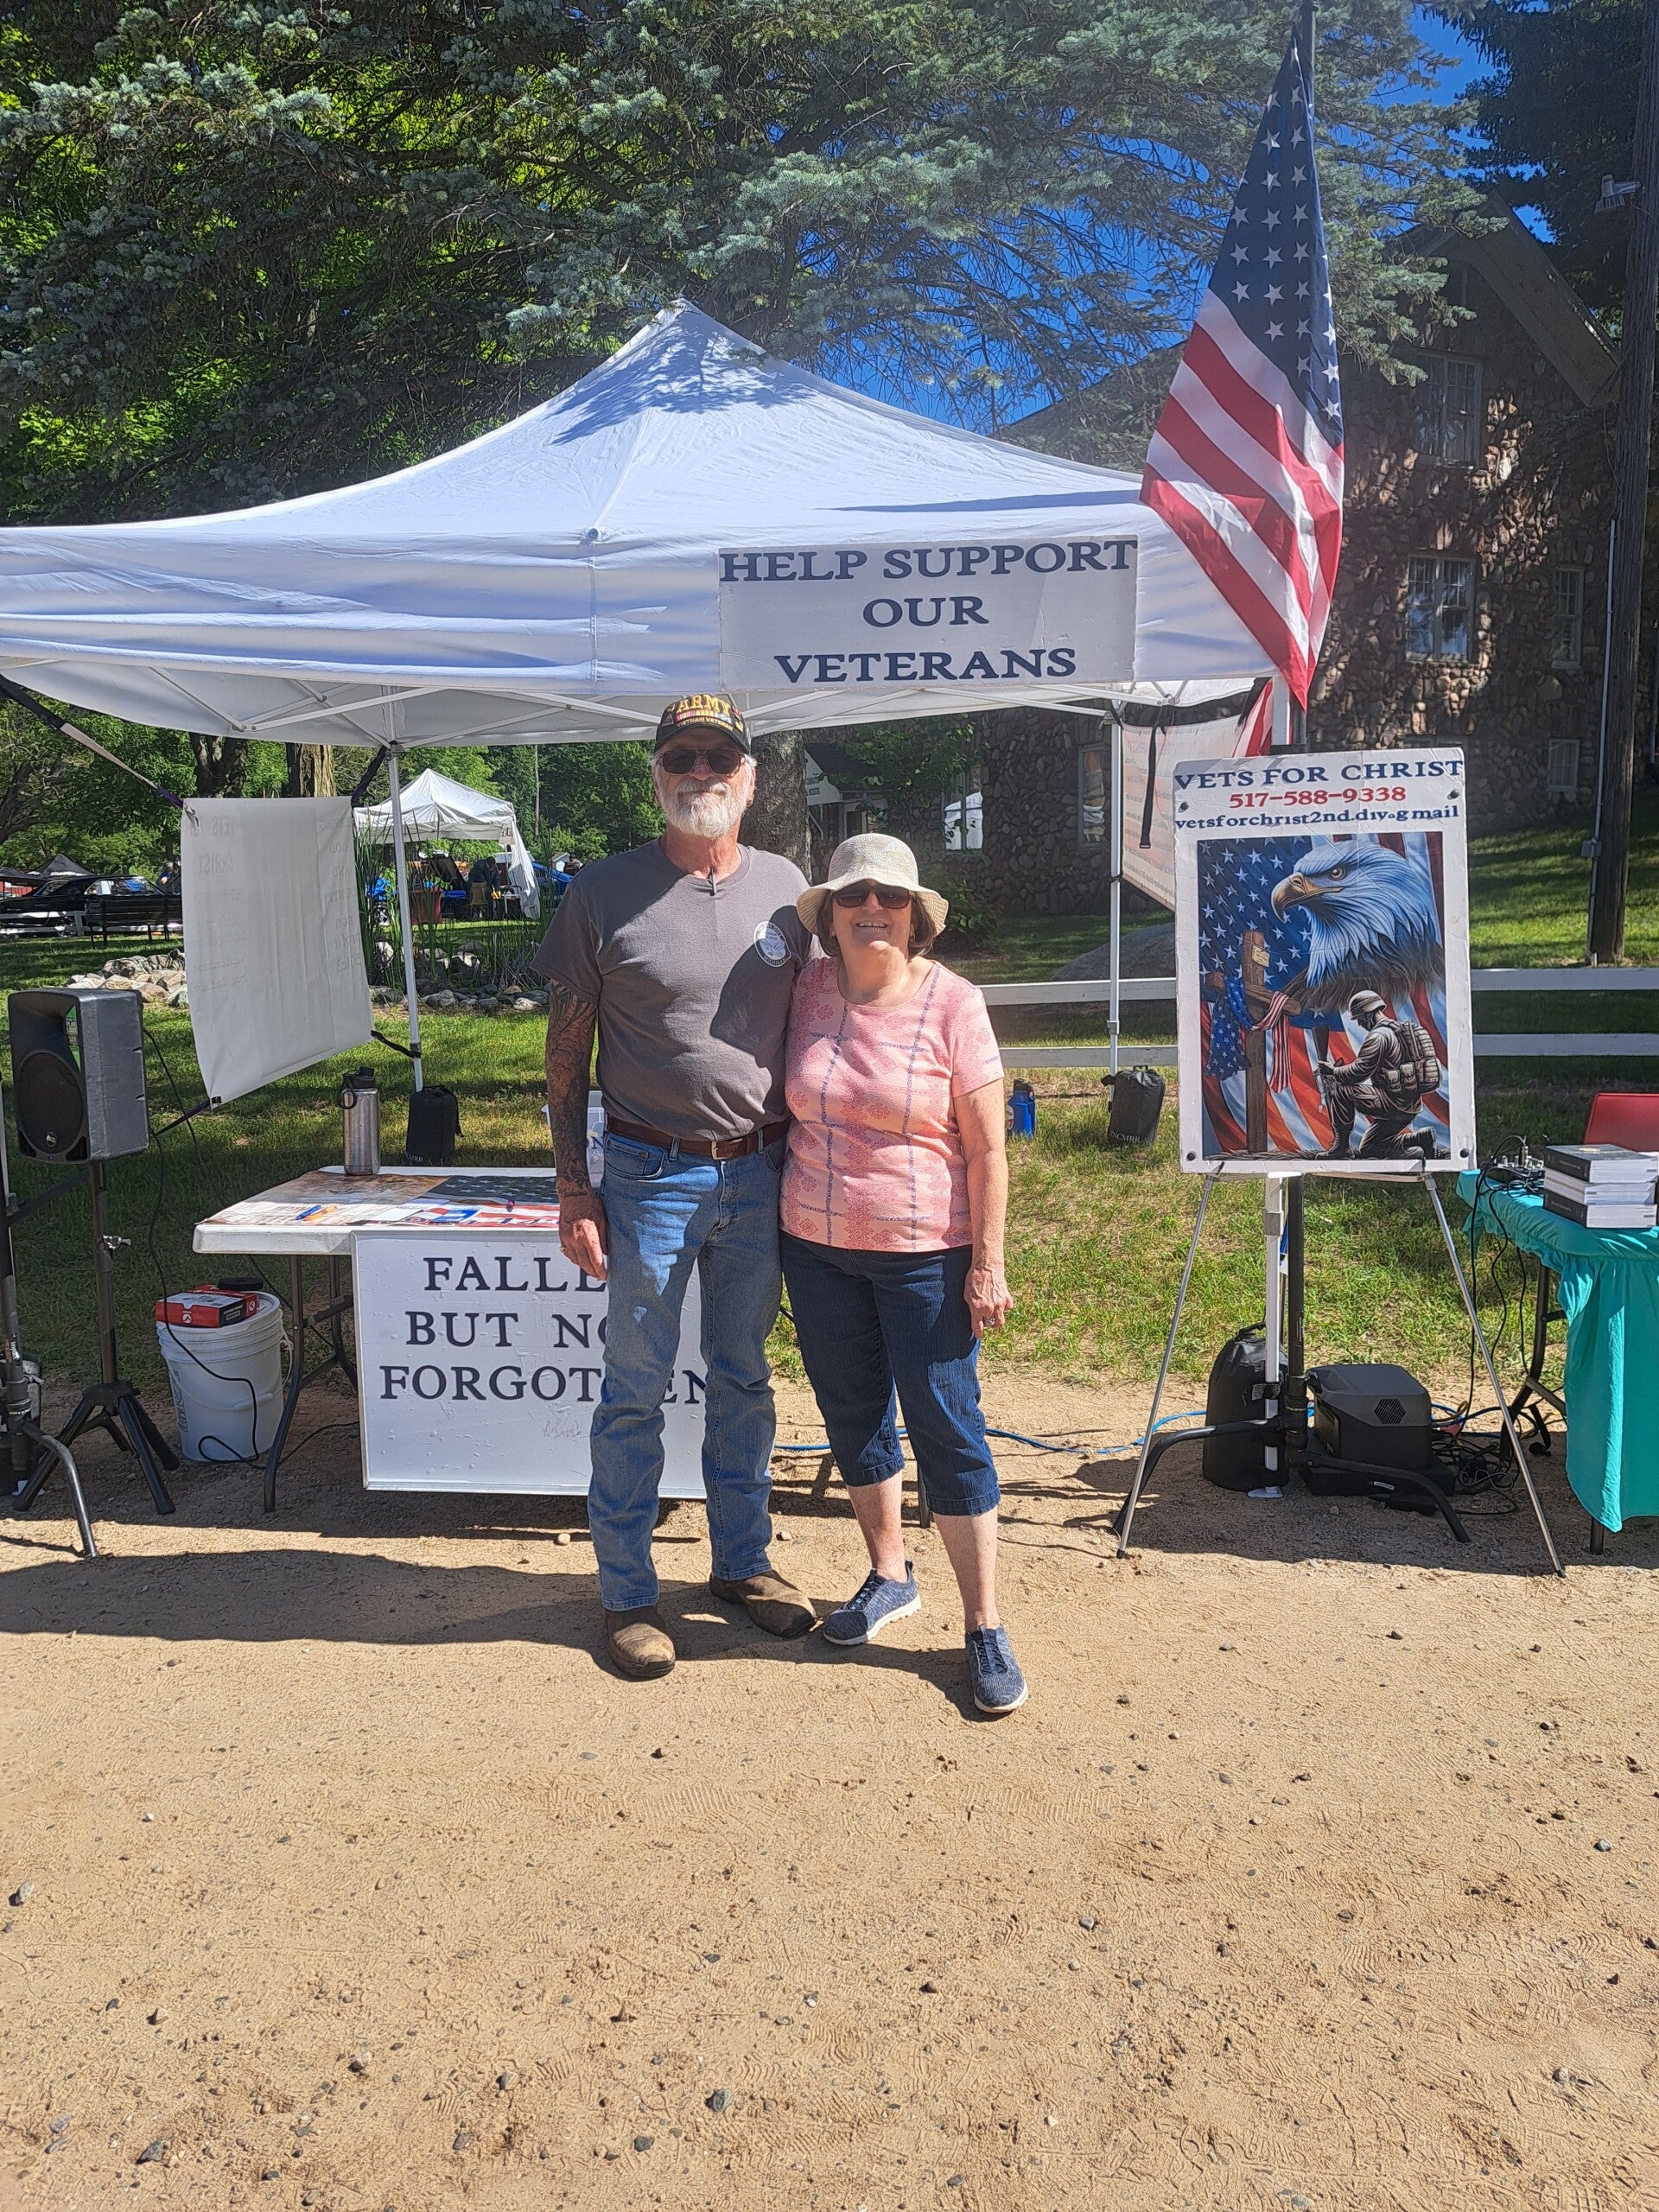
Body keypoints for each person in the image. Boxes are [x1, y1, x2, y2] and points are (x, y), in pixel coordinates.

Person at [536, 694, 817, 1679]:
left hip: (762, 1171)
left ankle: (743, 1564)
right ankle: (626, 1592)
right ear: (656, 773)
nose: (701, 772)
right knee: (635, 1390)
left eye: (719, 758)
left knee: (743, 1376)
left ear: (750, 777)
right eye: (682, 757)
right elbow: (564, 1053)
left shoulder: (789, 891)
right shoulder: (601, 891)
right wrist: (574, 1189)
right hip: (647, 1174)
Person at [780, 834, 1027, 1715]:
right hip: (815, 1248)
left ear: (916, 915)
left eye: (890, 896)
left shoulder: (955, 1002)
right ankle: (889, 1574)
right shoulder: (806, 988)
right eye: (853, 896)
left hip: (926, 1255)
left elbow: (989, 1149)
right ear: (830, 915)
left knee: (947, 1425)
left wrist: (987, 1262)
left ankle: (983, 1623)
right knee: (853, 1414)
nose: (872, 908)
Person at [1321, 989, 1441, 1160]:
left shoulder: (1378, 1036)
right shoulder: (1397, 1029)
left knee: (1343, 1091)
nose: (1360, 1024)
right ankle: (1419, 1139)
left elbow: (1358, 1072)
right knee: (1370, 1149)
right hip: (1409, 1104)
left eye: (1360, 1018)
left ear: (1368, 1014)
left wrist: (1333, 1071)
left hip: (1392, 1103)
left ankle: (1342, 1147)